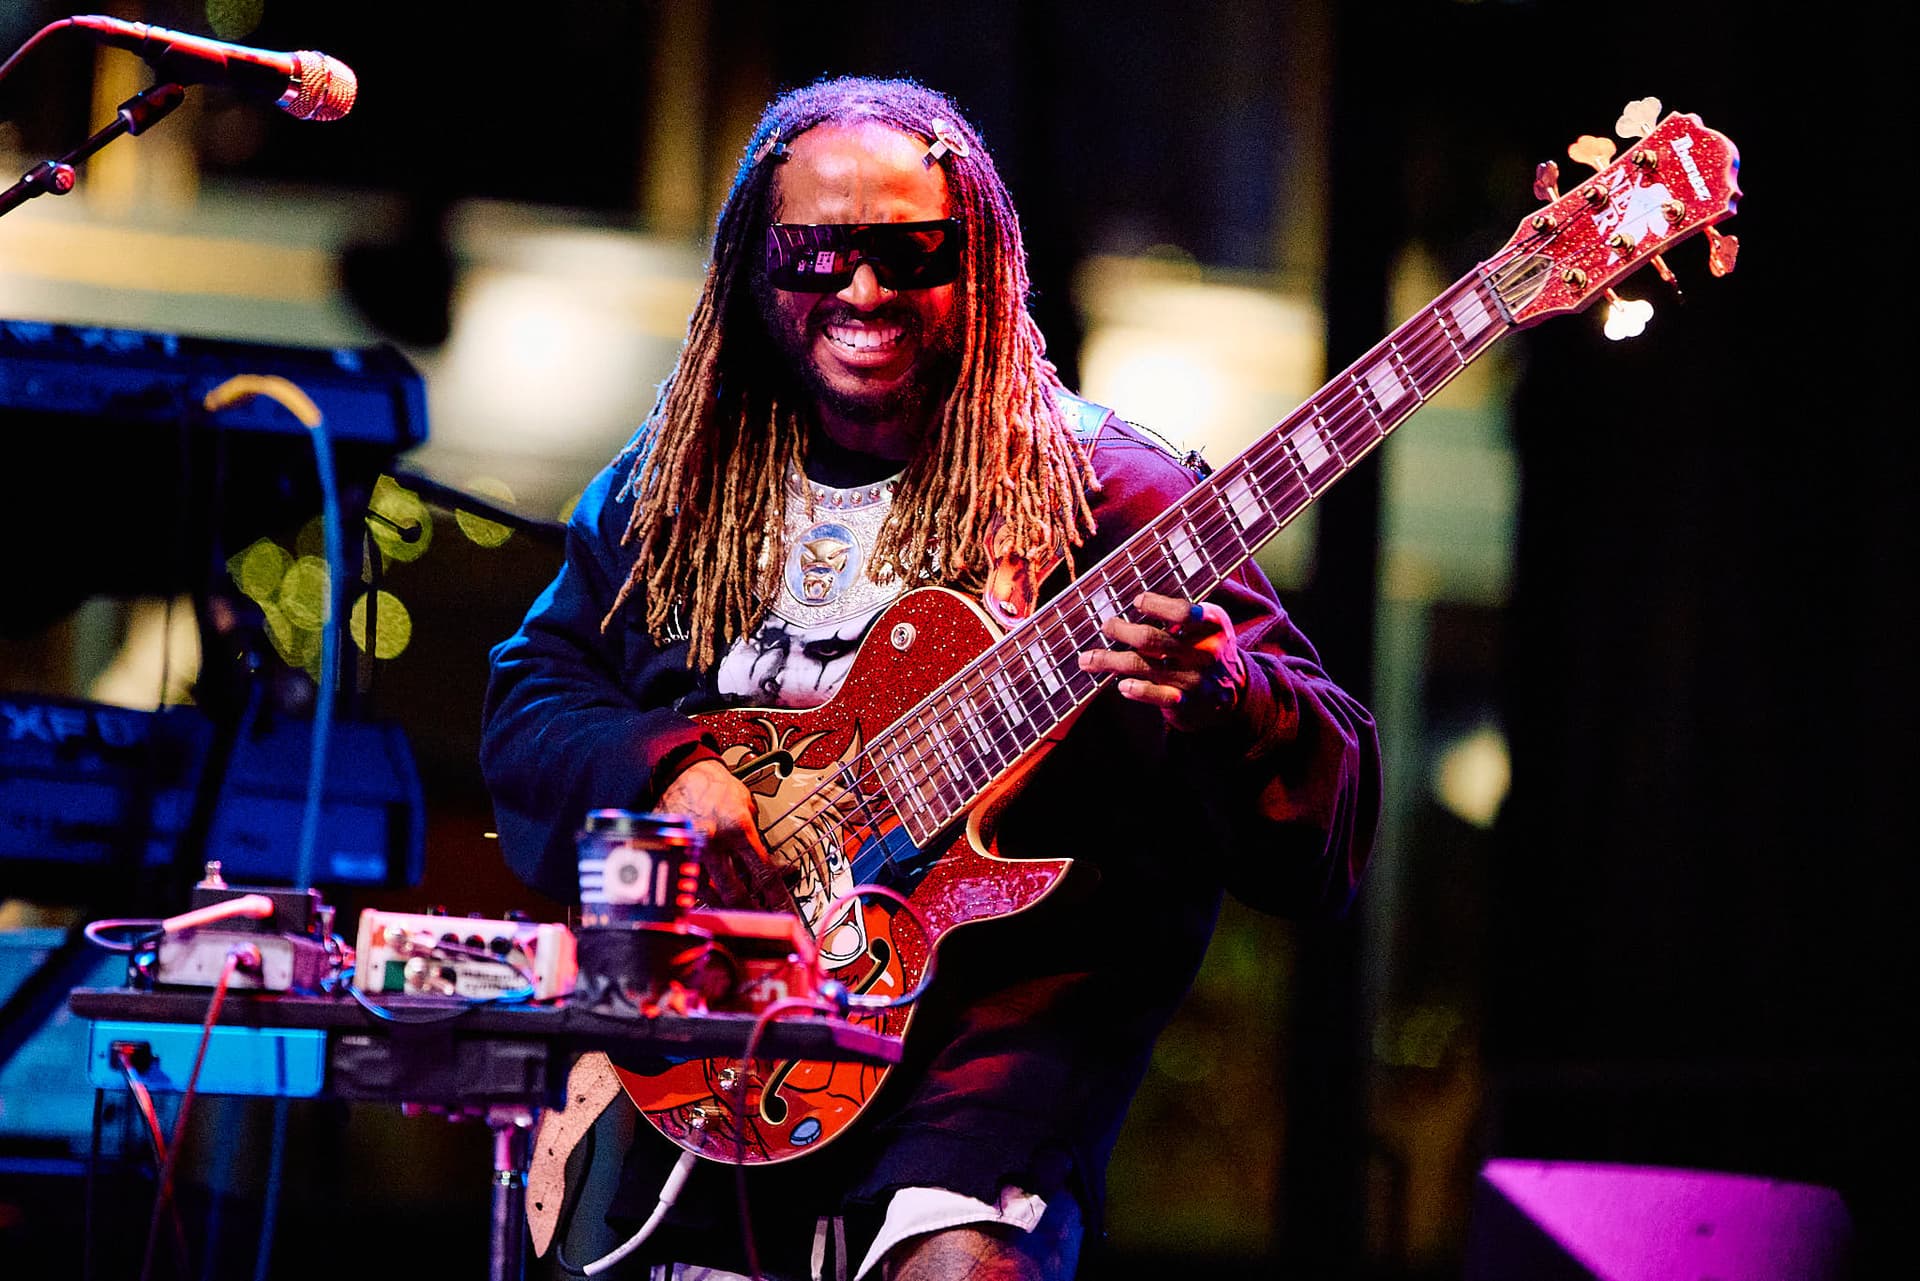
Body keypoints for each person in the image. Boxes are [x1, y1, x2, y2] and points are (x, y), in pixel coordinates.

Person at [481, 76, 1379, 1281]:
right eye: (817, 254)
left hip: (988, 1048)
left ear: (982, 265)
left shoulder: (1110, 497)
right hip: (718, 1017)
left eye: (911, 254)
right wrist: (670, 769)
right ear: (753, 265)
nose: (863, 290)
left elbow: (1334, 806)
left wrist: (1234, 701)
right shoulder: (680, 482)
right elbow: (535, 698)